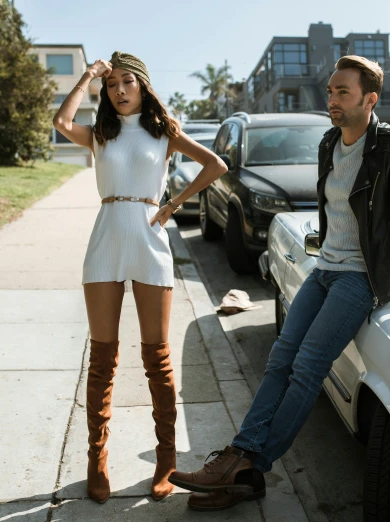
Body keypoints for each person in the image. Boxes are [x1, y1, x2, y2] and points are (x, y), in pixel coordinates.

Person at [169, 55, 390, 511]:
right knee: (280, 357)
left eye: (343, 92)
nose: (332, 100)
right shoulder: (329, 143)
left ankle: (250, 463)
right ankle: (242, 460)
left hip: (362, 278)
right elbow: (335, 211)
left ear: (370, 99)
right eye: (330, 91)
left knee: (307, 368)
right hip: (325, 268)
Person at [52, 52, 227, 504]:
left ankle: (166, 459)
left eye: (127, 82)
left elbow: (215, 165)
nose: (119, 90)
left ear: (143, 86)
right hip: (105, 241)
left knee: (157, 356)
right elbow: (60, 120)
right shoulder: (100, 134)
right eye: (112, 86)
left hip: (150, 244)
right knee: (103, 358)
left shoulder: (163, 132)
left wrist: (171, 204)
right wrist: (89, 75)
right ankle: (97, 460)